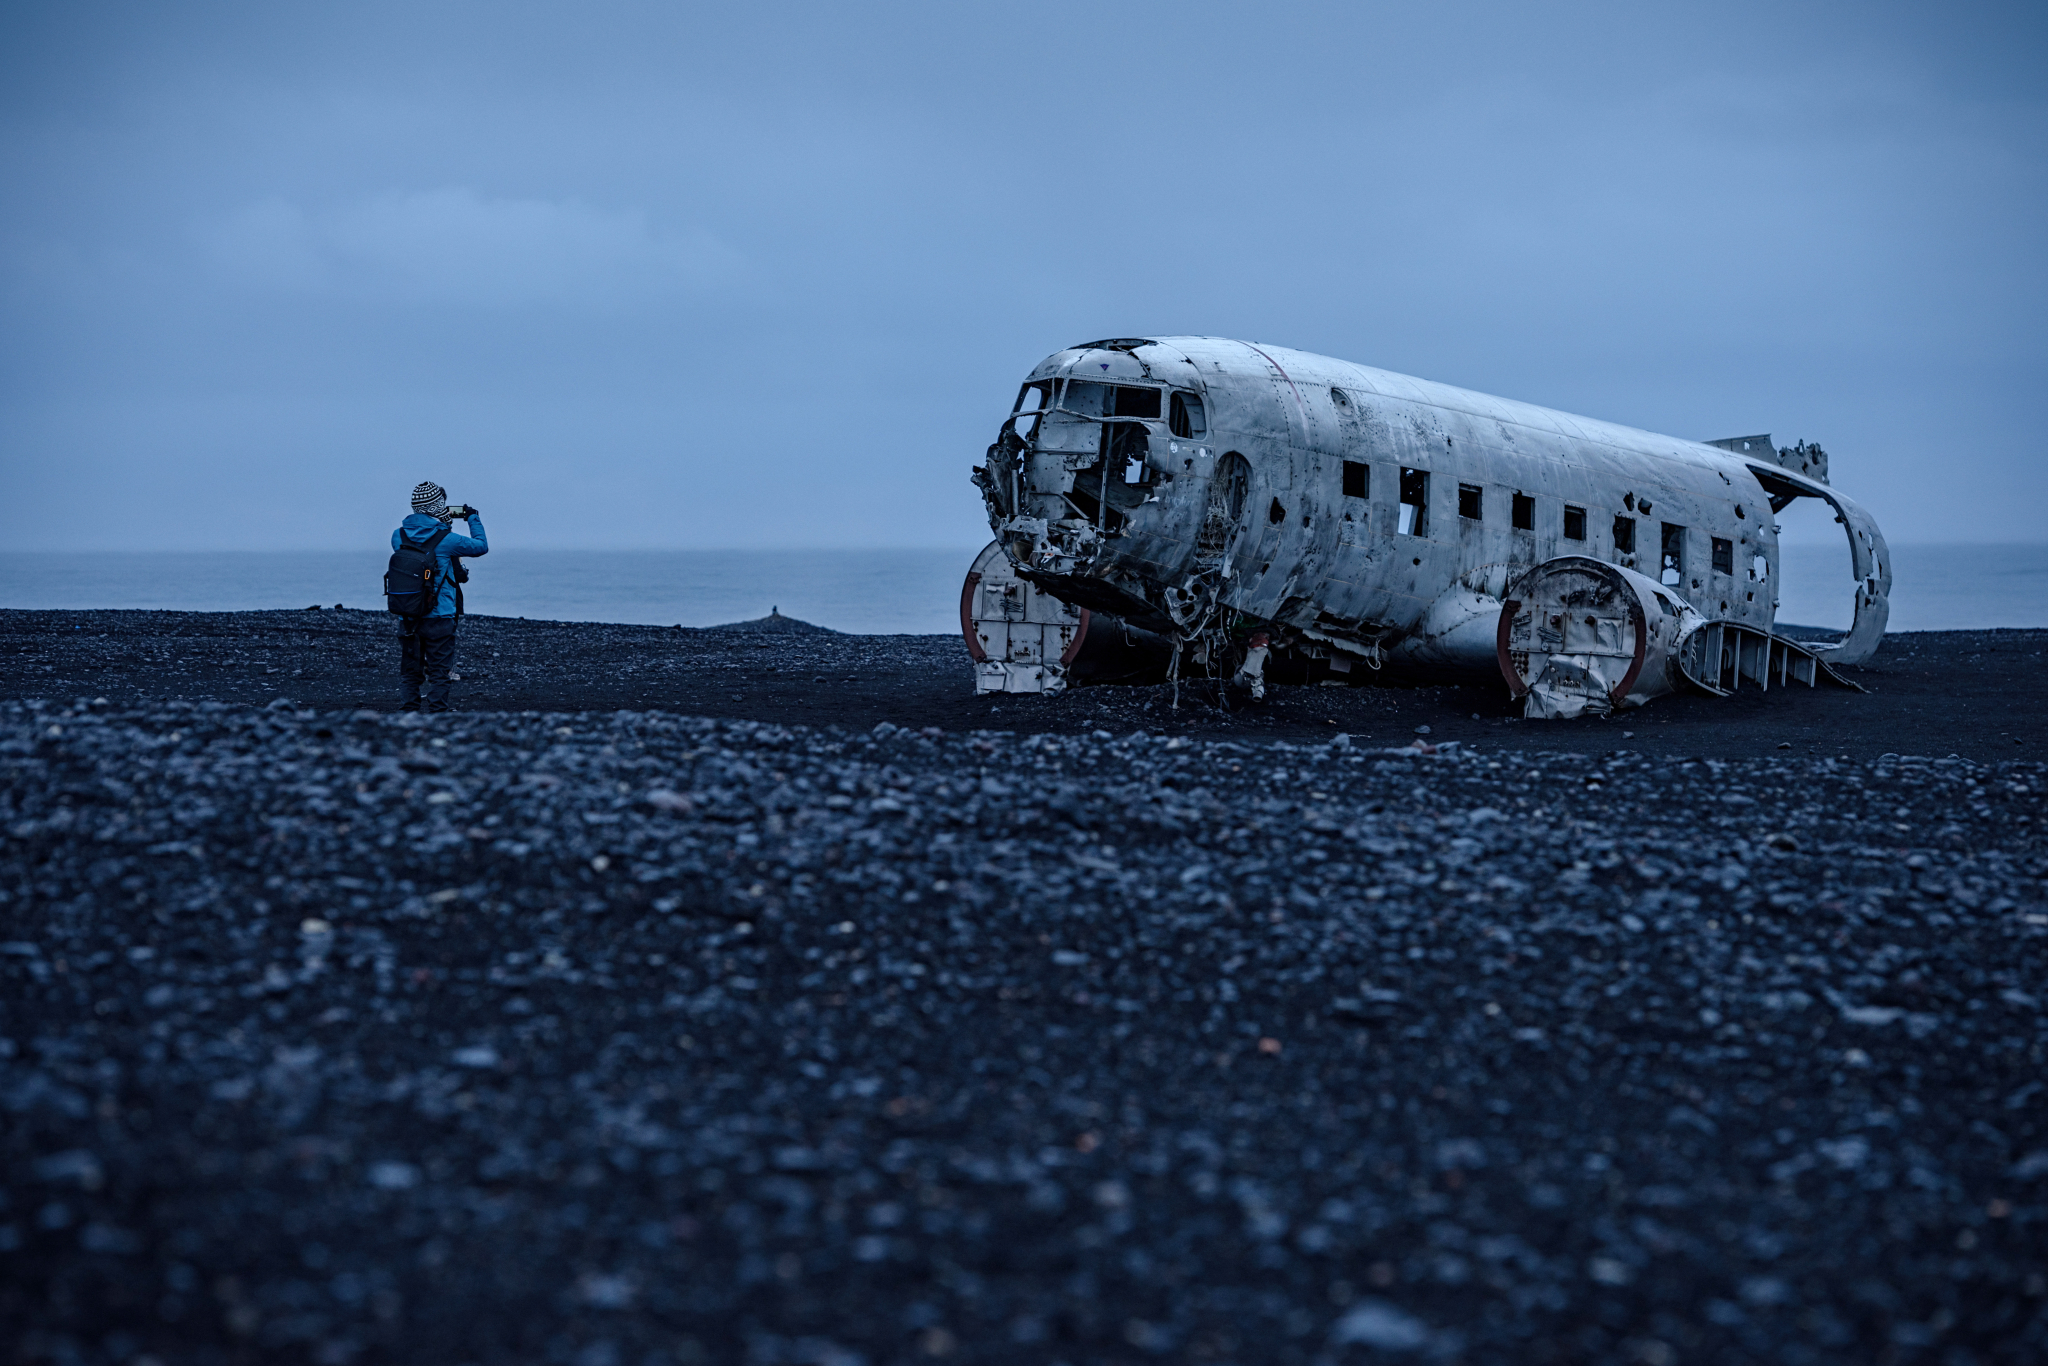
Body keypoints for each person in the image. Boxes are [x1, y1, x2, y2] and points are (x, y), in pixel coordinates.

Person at [393, 481, 487, 713]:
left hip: (408, 614)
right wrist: (472, 517)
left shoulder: (398, 536)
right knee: (439, 671)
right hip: (440, 616)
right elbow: (480, 546)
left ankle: (409, 714)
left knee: (410, 672)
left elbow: (421, 546)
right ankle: (437, 715)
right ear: (437, 507)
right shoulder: (447, 539)